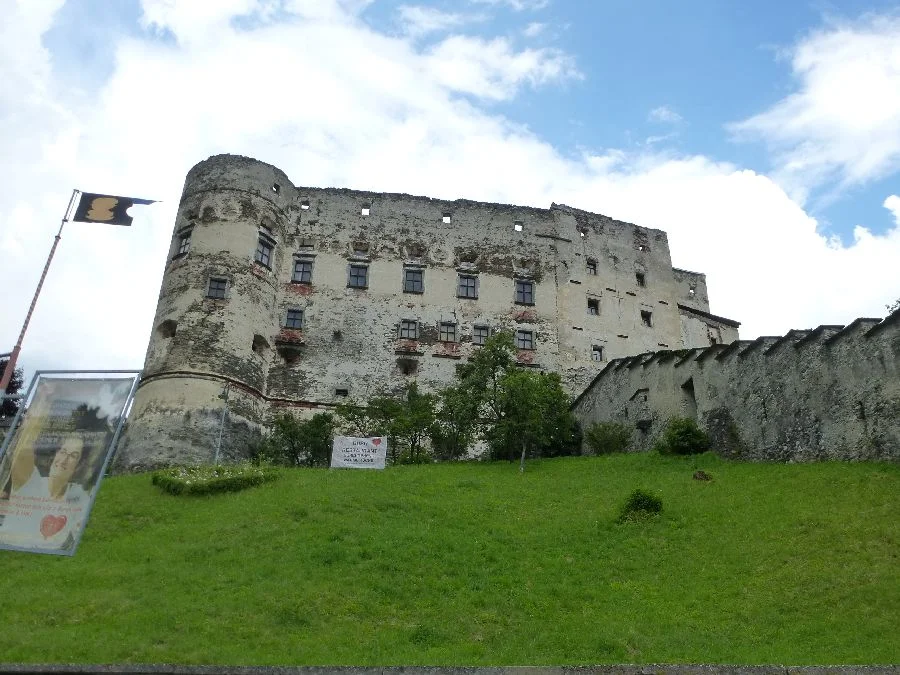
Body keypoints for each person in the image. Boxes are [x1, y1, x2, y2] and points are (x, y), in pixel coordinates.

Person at [0, 431, 97, 551]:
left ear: (79, 465)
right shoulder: (31, 480)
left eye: (73, 456)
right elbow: (22, 454)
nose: (64, 459)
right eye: (63, 451)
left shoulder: (78, 495)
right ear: (56, 454)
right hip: (12, 549)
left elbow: (83, 535)